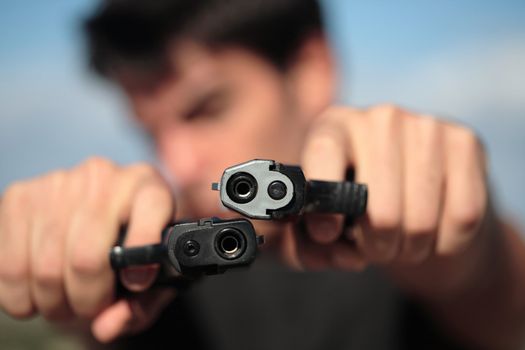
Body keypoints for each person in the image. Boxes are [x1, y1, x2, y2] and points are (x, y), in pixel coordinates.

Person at [1, 0, 524, 349]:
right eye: (150, 131)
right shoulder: (156, 282)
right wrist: (80, 277)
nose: (177, 164)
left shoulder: (416, 261)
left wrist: (473, 257)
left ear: (311, 69)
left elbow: (499, 298)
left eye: (206, 109)